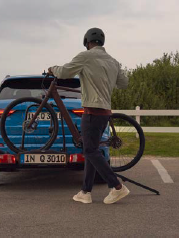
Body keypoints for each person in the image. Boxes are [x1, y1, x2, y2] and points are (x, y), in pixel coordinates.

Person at [48, 27, 129, 204]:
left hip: (92, 112)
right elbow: (124, 83)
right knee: (91, 149)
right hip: (104, 113)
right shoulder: (113, 61)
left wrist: (52, 68)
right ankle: (85, 191)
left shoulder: (85, 56)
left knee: (90, 150)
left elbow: (63, 72)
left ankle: (117, 186)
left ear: (87, 42)